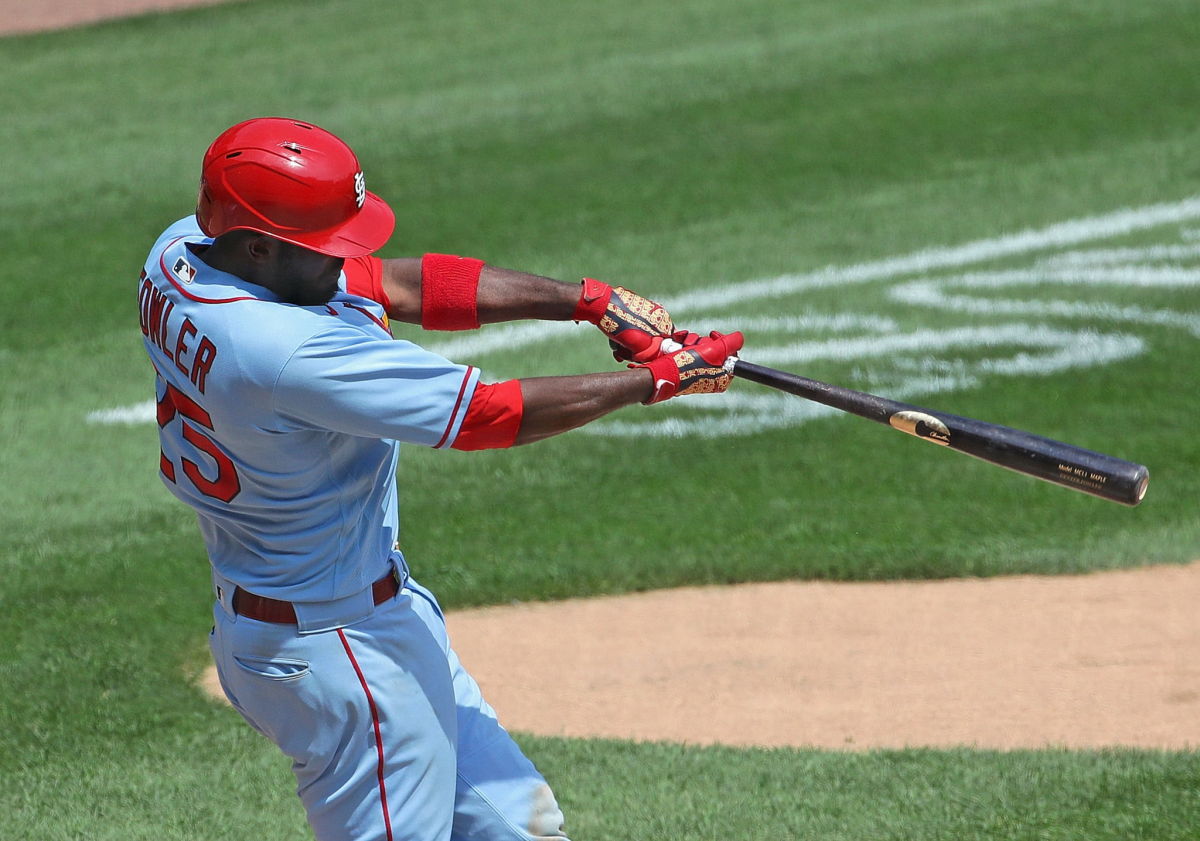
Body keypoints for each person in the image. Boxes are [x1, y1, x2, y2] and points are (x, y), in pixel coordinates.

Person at [139, 117, 742, 841]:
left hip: (339, 616)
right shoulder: (286, 352)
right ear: (261, 246)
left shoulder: (182, 251)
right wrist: (658, 380)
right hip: (341, 651)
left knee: (521, 827)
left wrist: (588, 302)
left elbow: (392, 282)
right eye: (328, 243)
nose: (348, 255)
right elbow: (487, 413)